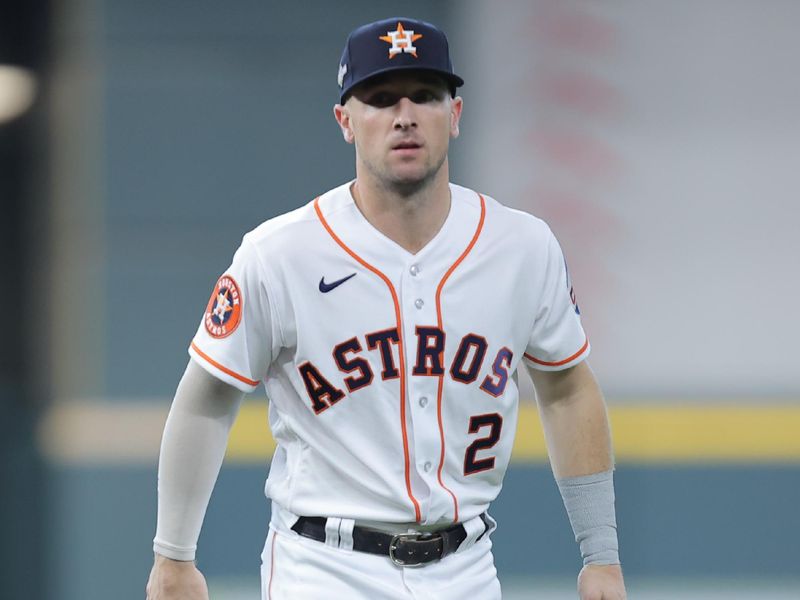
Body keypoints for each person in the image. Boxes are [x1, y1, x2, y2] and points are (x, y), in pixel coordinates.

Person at [146, 16, 626, 600]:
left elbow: (568, 387)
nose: (404, 115)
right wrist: (173, 556)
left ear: (455, 114)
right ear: (345, 121)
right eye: (378, 98)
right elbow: (206, 398)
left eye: (424, 95)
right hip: (324, 566)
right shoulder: (280, 254)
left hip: (467, 566)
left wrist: (601, 554)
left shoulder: (522, 247)